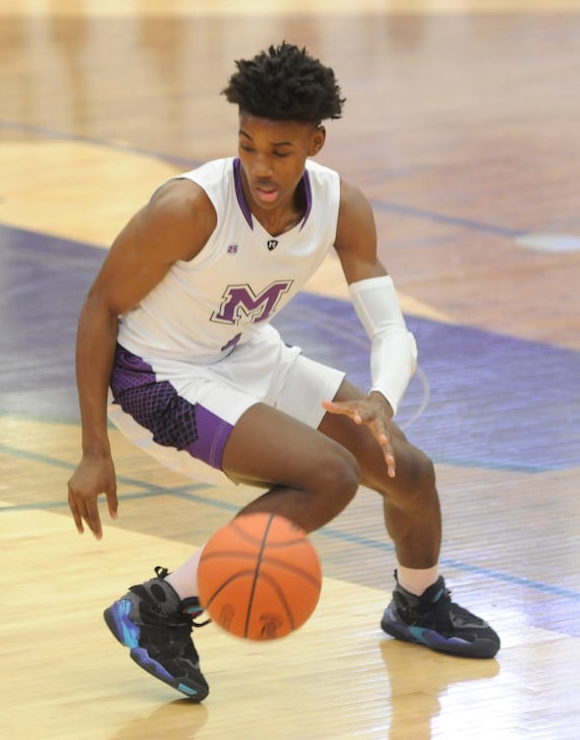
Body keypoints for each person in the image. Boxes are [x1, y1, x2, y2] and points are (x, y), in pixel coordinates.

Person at [66, 43, 499, 701]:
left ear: (316, 142)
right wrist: (93, 449)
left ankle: (418, 602)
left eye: (280, 152)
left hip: (244, 351)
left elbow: (389, 327)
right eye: (248, 146)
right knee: (330, 476)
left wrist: (382, 397)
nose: (261, 168)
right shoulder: (190, 208)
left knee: (408, 473)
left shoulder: (339, 206)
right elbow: (100, 307)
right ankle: (160, 604)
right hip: (155, 375)